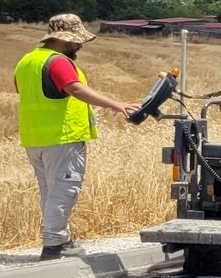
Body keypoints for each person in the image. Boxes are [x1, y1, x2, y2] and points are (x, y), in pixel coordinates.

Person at [13, 14, 141, 260]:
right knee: (64, 191)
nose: (80, 45)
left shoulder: (27, 61)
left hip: (34, 138)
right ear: (64, 40)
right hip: (62, 137)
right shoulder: (58, 62)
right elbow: (74, 89)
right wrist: (117, 105)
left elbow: (26, 92)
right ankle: (54, 246)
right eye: (77, 41)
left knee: (50, 192)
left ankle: (61, 239)